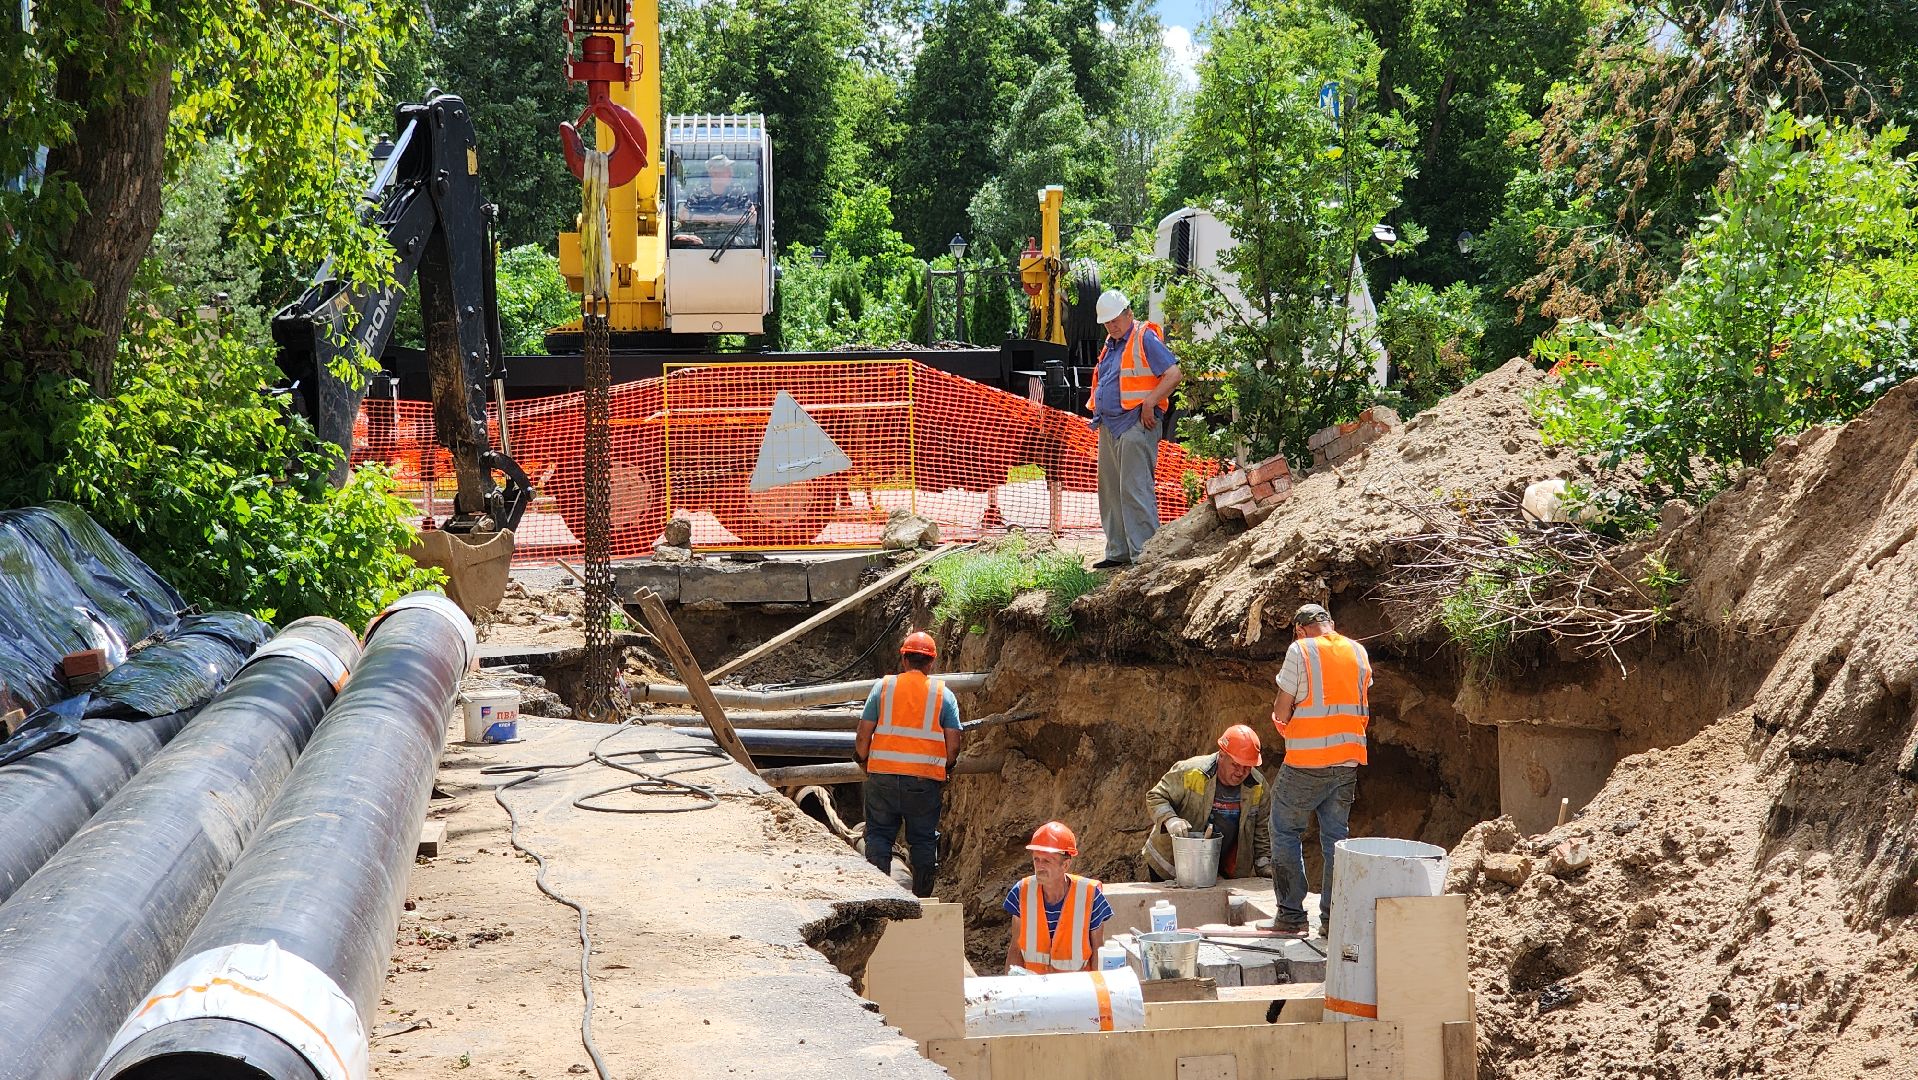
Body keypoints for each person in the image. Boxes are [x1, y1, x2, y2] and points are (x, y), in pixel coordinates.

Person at [1267, 603, 1372, 936]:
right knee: (1336, 841)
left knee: (1284, 830)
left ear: (1299, 629)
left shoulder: (1300, 649)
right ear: (1332, 624)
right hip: (1347, 761)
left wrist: (1282, 722)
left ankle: (1291, 917)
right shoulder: (1358, 651)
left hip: (1306, 761)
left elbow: (1283, 708)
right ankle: (1333, 920)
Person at [854, 631, 963, 898]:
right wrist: (944, 766)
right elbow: (954, 744)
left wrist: (863, 760)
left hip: (882, 778)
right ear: (932, 662)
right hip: (923, 782)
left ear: (904, 659)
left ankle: (880, 899)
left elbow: (862, 735)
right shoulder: (943, 695)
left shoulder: (883, 688)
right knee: (923, 841)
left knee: (878, 836)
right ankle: (921, 900)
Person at [1085, 289, 1182, 569]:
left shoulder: (1144, 337)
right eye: (1107, 323)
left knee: (1135, 490)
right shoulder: (1111, 343)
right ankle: (1119, 552)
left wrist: (1150, 401)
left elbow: (1173, 373)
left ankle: (1145, 556)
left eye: (1115, 320)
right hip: (1111, 425)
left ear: (1128, 313)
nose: (1112, 326)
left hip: (1136, 424)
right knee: (1111, 492)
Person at [1142, 725, 1272, 883]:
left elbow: (1261, 831)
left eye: (1247, 767)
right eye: (1236, 765)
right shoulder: (1191, 772)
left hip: (1219, 869)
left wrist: (1264, 865)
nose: (1240, 773)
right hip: (1170, 864)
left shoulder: (1258, 786)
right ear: (1222, 755)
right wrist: (1170, 819)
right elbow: (1155, 796)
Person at [1003, 821, 1113, 974]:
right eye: (1036, 859)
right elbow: (1015, 948)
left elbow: (1097, 952)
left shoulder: (1090, 895)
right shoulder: (1022, 891)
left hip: (1075, 992)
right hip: (1034, 991)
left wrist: (1097, 994)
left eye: (1046, 861)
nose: (1039, 867)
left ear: (1065, 865)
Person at [671, 154, 756, 246]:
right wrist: (709, 218)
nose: (731, 174)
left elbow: (753, 217)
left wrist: (726, 219)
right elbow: (682, 215)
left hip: (731, 243)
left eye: (730, 171)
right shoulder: (700, 191)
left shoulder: (738, 191)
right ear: (714, 174)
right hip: (703, 241)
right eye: (726, 171)